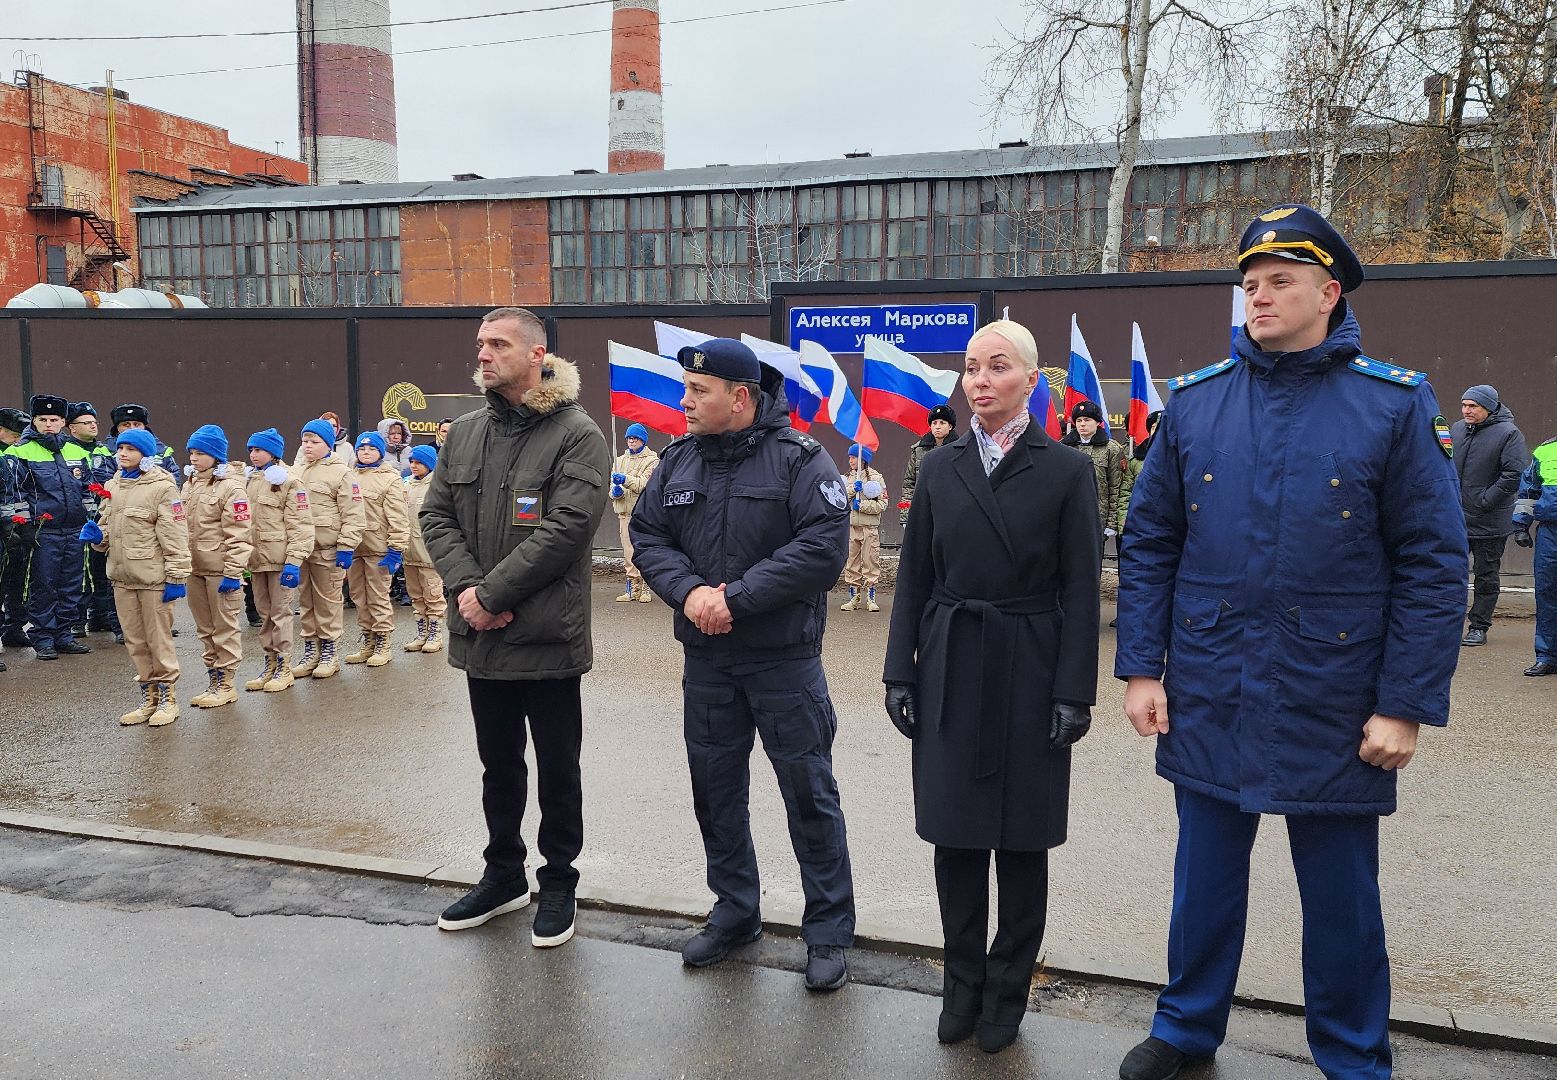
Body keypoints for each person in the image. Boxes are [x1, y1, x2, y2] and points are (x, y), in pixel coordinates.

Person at [1114, 205, 1468, 1080]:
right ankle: (1186, 1028)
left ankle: (1351, 1055)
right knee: (1203, 884)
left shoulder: (1390, 403)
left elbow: (1433, 560)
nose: (1257, 297)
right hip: (1208, 678)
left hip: (1336, 691)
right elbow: (1150, 540)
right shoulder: (1195, 404)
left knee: (1341, 898)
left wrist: (1404, 706)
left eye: (1277, 282)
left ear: (1328, 291)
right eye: (1248, 284)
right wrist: (1137, 667)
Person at [883, 319, 1100, 1052]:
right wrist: (898, 671)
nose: (978, 380)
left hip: (1030, 664)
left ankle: (1006, 993)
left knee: (1022, 842)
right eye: (970, 367)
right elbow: (913, 577)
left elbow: (1079, 586)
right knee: (955, 838)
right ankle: (962, 985)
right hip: (951, 659)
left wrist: (1075, 692)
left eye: (996, 367)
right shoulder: (940, 466)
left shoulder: (1067, 470)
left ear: (1030, 381)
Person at [630, 338, 856, 992]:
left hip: (782, 662)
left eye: (697, 392)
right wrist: (691, 594)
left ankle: (827, 931)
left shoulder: (800, 461)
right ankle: (734, 910)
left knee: (808, 796)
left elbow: (822, 549)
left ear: (740, 396)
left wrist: (736, 599)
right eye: (686, 390)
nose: (685, 402)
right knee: (715, 792)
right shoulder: (677, 462)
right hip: (707, 663)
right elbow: (648, 537)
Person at [420, 306, 610, 948]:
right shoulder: (465, 432)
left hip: (546, 638)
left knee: (559, 766)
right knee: (497, 766)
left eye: (498, 344)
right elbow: (436, 516)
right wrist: (470, 592)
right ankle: (503, 874)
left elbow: (567, 529)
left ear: (537, 355)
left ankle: (558, 880)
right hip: (483, 637)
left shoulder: (577, 433)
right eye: (480, 343)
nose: (483, 354)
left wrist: (493, 594)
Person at [84, 427, 190, 727]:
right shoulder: (113, 485)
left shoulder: (163, 488)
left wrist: (177, 577)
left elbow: (175, 535)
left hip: (153, 578)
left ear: (145, 455)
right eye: (120, 448)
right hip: (122, 576)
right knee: (135, 641)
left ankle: (168, 698)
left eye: (130, 449)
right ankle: (149, 697)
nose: (123, 454)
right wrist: (97, 536)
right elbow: (106, 530)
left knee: (159, 640)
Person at [4, 395, 93, 660]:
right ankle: (43, 637)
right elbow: (15, 494)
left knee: (71, 585)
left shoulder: (76, 451)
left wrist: (92, 520)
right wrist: (22, 527)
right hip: (44, 532)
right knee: (44, 585)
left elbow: (87, 491)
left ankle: (64, 634)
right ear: (34, 420)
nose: (49, 424)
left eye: (54, 420)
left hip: (75, 529)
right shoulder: (19, 451)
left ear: (64, 422)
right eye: (43, 419)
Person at [179, 426, 254, 710]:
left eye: (201, 453)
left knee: (224, 628)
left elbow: (239, 534)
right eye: (192, 452)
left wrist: (233, 572)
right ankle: (213, 679)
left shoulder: (231, 488)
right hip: (195, 568)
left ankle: (226, 683)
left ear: (216, 456)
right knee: (205, 629)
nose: (195, 458)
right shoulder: (190, 484)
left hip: (220, 570)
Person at [290, 418, 366, 681]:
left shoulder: (342, 473)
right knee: (306, 602)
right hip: (302, 550)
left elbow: (354, 513)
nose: (308, 446)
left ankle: (329, 653)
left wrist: (346, 546)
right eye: (304, 441)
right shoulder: (296, 472)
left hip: (328, 549)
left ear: (328, 444)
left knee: (328, 601)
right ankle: (311, 649)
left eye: (314, 441)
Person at [1451, 385, 1527, 646]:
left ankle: (1479, 627)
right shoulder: (1457, 429)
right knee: (1450, 573)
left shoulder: (1509, 434)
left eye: (1473, 406)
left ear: (1489, 407)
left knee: (1486, 575)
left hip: (1489, 522)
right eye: (1464, 405)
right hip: (1455, 519)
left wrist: (1485, 501)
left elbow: (1513, 475)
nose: (1466, 411)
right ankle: (1449, 623)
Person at [243, 428, 314, 692]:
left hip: (280, 561)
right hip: (256, 561)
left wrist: (294, 561)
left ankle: (284, 666)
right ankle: (270, 663)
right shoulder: (249, 480)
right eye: (251, 450)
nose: (253, 455)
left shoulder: (289, 482)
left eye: (259, 450)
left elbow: (301, 525)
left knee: (280, 613)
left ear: (273, 452)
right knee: (264, 614)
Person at [342, 430, 409, 669]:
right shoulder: (348, 476)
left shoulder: (389, 478)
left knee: (378, 596)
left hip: (378, 548)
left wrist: (396, 548)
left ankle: (383, 641)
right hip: (354, 548)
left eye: (371, 449)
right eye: (361, 449)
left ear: (380, 452)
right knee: (358, 595)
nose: (366, 452)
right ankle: (368, 639)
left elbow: (397, 517)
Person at [67, 402, 120, 642]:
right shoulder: (65, 450)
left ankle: (100, 617)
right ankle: (77, 620)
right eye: (86, 422)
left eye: (94, 422)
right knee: (79, 573)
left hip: (102, 517)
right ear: (72, 428)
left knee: (100, 570)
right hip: (75, 519)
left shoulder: (104, 451)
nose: (92, 426)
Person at [1513, 433, 1557, 676]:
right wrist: (1520, 525)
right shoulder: (1545, 450)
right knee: (1547, 593)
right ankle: (1547, 656)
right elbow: (1529, 491)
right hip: (1550, 533)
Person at [1062, 400, 1129, 551]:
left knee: (1092, 562)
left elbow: (1115, 487)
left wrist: (1111, 523)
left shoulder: (1111, 448)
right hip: (1068, 515)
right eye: (1079, 420)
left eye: (1087, 420)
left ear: (1098, 422)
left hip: (1097, 517)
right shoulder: (1064, 446)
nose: (1082, 424)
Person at [400, 444, 446, 653]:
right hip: (409, 552)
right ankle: (422, 632)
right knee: (416, 594)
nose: (414, 465)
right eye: (412, 461)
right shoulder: (405, 485)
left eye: (419, 462)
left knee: (432, 594)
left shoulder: (436, 486)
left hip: (428, 552)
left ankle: (435, 633)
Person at [608, 422, 659, 603]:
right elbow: (612, 486)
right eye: (629, 438)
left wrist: (626, 480)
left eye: (635, 438)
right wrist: (615, 492)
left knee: (643, 551)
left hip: (643, 515)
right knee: (628, 552)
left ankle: (646, 587)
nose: (631, 441)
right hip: (625, 513)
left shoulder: (652, 461)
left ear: (643, 440)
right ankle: (631, 588)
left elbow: (644, 485)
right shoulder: (619, 460)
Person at [839, 443, 887, 612]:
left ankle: (871, 598)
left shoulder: (876, 478)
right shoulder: (846, 478)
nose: (850, 460)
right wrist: (853, 489)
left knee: (870, 561)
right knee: (852, 563)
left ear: (863, 459)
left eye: (854, 457)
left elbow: (882, 503)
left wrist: (864, 505)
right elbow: (840, 497)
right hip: (852, 528)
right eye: (850, 457)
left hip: (869, 528)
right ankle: (854, 598)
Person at [1, 407, 31, 651]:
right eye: (14, 434)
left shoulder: (11, 455)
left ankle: (13, 628)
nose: (20, 439)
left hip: (12, 529)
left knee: (13, 580)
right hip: (4, 528)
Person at [900, 404, 956, 526]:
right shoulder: (919, 449)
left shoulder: (959, 449)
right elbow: (909, 483)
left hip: (950, 511)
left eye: (942, 423)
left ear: (950, 426)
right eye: (934, 423)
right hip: (924, 510)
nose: (937, 427)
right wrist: (905, 516)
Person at [108, 403, 177, 474]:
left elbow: (173, 478)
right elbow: (103, 479)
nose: (132, 428)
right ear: (117, 428)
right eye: (126, 425)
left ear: (144, 427)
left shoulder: (162, 450)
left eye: (136, 424)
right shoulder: (105, 451)